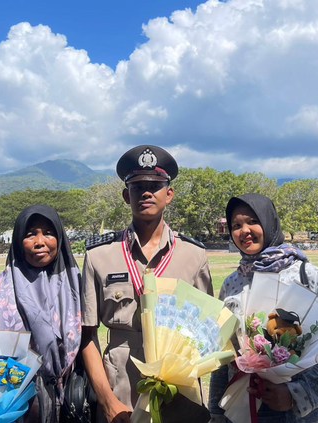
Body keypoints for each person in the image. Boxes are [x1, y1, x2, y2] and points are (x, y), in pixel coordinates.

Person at [80, 145, 213, 423]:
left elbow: (208, 332)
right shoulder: (98, 255)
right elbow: (87, 336)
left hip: (179, 392)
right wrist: (107, 402)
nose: (147, 192)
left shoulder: (194, 255)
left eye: (155, 185)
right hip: (120, 388)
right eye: (138, 186)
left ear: (169, 194)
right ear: (127, 195)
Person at [208, 193, 318, 423]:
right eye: (236, 225)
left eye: (252, 221)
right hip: (240, 410)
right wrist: (216, 412)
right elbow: (224, 355)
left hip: (295, 416)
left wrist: (295, 395)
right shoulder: (232, 283)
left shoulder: (308, 276)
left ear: (269, 222)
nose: (244, 231)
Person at [0, 204, 82, 422]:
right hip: (11, 407)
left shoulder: (76, 289)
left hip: (67, 405)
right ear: (18, 241)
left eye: (48, 233)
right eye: (30, 235)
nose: (40, 241)